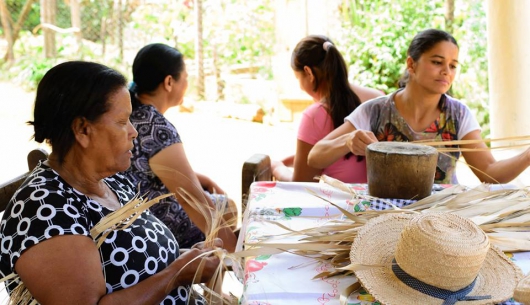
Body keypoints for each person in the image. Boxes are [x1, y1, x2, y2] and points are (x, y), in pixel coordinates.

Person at [0, 61, 221, 304]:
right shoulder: (44, 211)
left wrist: (187, 259)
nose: (133, 131)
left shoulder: (112, 182)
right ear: (83, 130)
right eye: (121, 122)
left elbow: (135, 263)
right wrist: (176, 273)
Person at [308, 28, 530, 185]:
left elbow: (489, 172)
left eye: (453, 65)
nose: (446, 71)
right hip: (387, 217)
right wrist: (348, 140)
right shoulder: (375, 110)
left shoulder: (459, 114)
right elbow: (315, 156)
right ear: (411, 64)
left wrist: (527, 156)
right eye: (437, 62)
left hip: (443, 221)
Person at [126, 43, 237, 252]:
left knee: (220, 206)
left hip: (130, 214)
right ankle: (215, 278)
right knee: (226, 210)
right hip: (153, 227)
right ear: (169, 82)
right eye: (185, 78)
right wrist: (238, 257)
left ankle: (215, 281)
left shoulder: (130, 112)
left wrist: (205, 180)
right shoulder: (154, 125)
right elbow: (192, 200)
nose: (187, 84)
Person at [271, 35, 383, 183]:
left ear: (309, 73)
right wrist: (296, 158)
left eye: (298, 78)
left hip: (339, 203)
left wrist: (277, 168)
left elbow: (301, 183)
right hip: (380, 200)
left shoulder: (315, 115)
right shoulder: (378, 99)